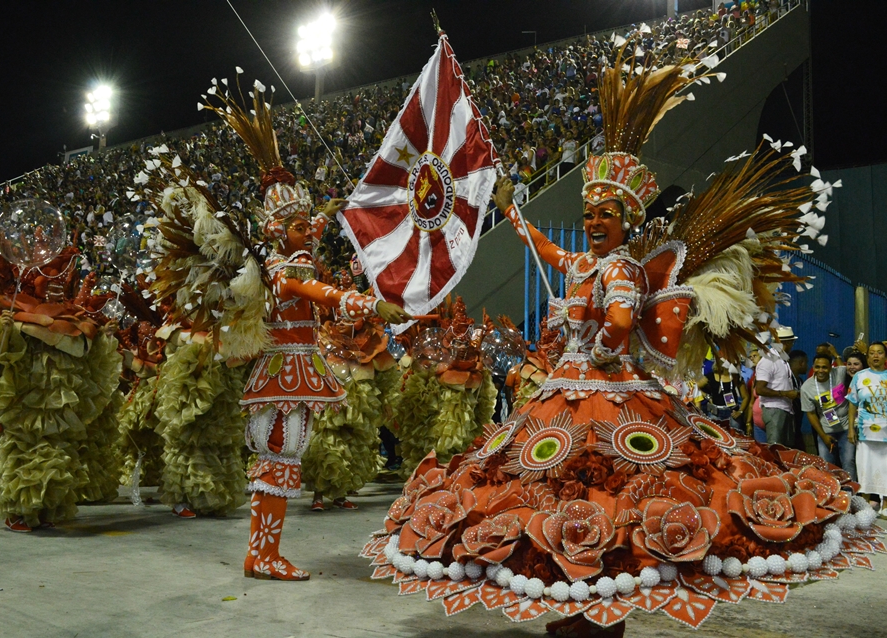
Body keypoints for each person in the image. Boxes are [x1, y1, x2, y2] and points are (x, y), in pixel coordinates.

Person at [363, 49, 869, 634]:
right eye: (588, 214)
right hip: (566, 389)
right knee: (551, 490)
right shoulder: (586, 263)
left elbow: (622, 325)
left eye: (605, 214)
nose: (594, 222)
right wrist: (511, 211)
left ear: (627, 219)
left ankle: (599, 605)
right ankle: (573, 595)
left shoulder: (621, 268)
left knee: (610, 494)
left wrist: (597, 348)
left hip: (610, 390)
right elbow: (547, 251)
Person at [206, 83, 412, 582]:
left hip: (291, 369)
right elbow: (318, 290)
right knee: (280, 456)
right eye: (298, 226)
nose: (308, 234)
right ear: (279, 231)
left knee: (283, 457)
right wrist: (369, 303)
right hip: (284, 372)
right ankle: (263, 555)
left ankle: (262, 554)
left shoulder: (284, 255)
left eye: (306, 226)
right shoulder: (283, 269)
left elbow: (307, 244)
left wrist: (322, 215)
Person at [802, 352, 856, 481]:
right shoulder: (806, 388)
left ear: (831, 367)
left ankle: (851, 490)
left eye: (824, 367)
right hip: (826, 430)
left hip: (846, 428)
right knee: (826, 464)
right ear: (813, 367)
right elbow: (811, 414)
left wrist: (836, 355)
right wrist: (823, 436)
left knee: (848, 461)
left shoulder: (840, 372)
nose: (820, 370)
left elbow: (854, 370)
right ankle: (831, 490)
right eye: (817, 367)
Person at [848, 341, 887, 511]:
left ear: (885, 356)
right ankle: (865, 506)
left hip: (885, 433)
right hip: (865, 432)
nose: (875, 356)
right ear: (867, 357)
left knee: (885, 469)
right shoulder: (859, 376)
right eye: (872, 353)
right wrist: (851, 429)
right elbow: (852, 404)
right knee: (865, 468)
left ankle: (885, 506)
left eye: (879, 352)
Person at [755, 326, 799, 446]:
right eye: (792, 342)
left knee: (786, 448)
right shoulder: (768, 361)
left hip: (785, 408)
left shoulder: (782, 360)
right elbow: (759, 389)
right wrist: (785, 393)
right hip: (774, 409)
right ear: (786, 343)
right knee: (775, 447)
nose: (792, 345)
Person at [703, 358, 749, 433]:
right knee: (715, 437)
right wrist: (708, 397)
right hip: (715, 413)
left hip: (733, 413)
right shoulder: (711, 376)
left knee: (734, 437)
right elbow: (696, 386)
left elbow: (746, 397)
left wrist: (740, 411)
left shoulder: (736, 377)